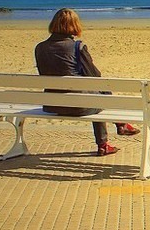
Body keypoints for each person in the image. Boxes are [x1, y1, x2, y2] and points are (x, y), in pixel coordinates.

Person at [34, 8, 140, 156]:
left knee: (94, 94)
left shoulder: (39, 48)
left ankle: (120, 125)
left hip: (52, 105)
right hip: (78, 106)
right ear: (74, 25)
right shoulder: (77, 47)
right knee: (97, 93)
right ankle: (112, 134)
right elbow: (94, 76)